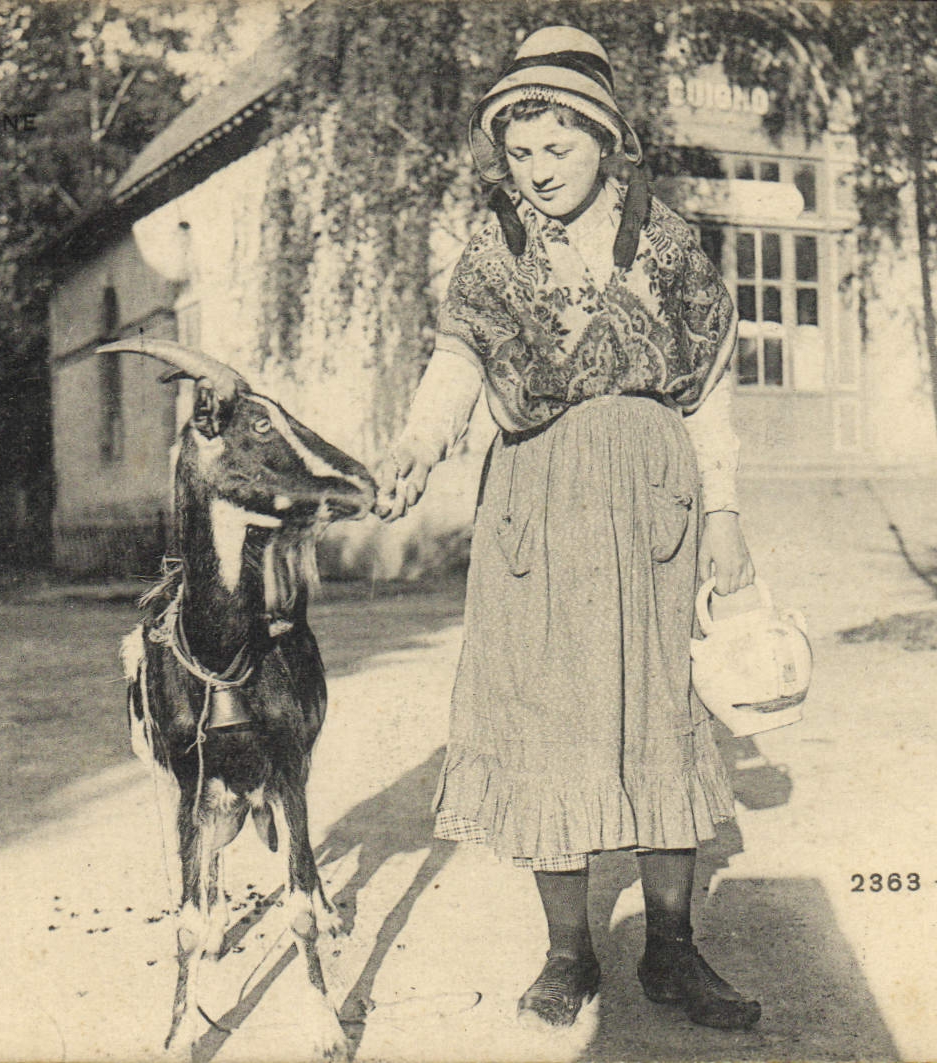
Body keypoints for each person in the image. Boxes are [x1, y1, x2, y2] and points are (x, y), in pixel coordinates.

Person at [373, 26, 760, 1032]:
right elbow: (458, 359)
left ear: (603, 142)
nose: (537, 172)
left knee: (654, 707)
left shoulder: (669, 246)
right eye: (520, 153)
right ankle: (568, 950)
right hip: (535, 502)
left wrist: (723, 515)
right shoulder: (493, 252)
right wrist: (418, 443)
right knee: (547, 711)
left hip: (649, 502)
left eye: (558, 149)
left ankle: (672, 950)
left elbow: (708, 388)